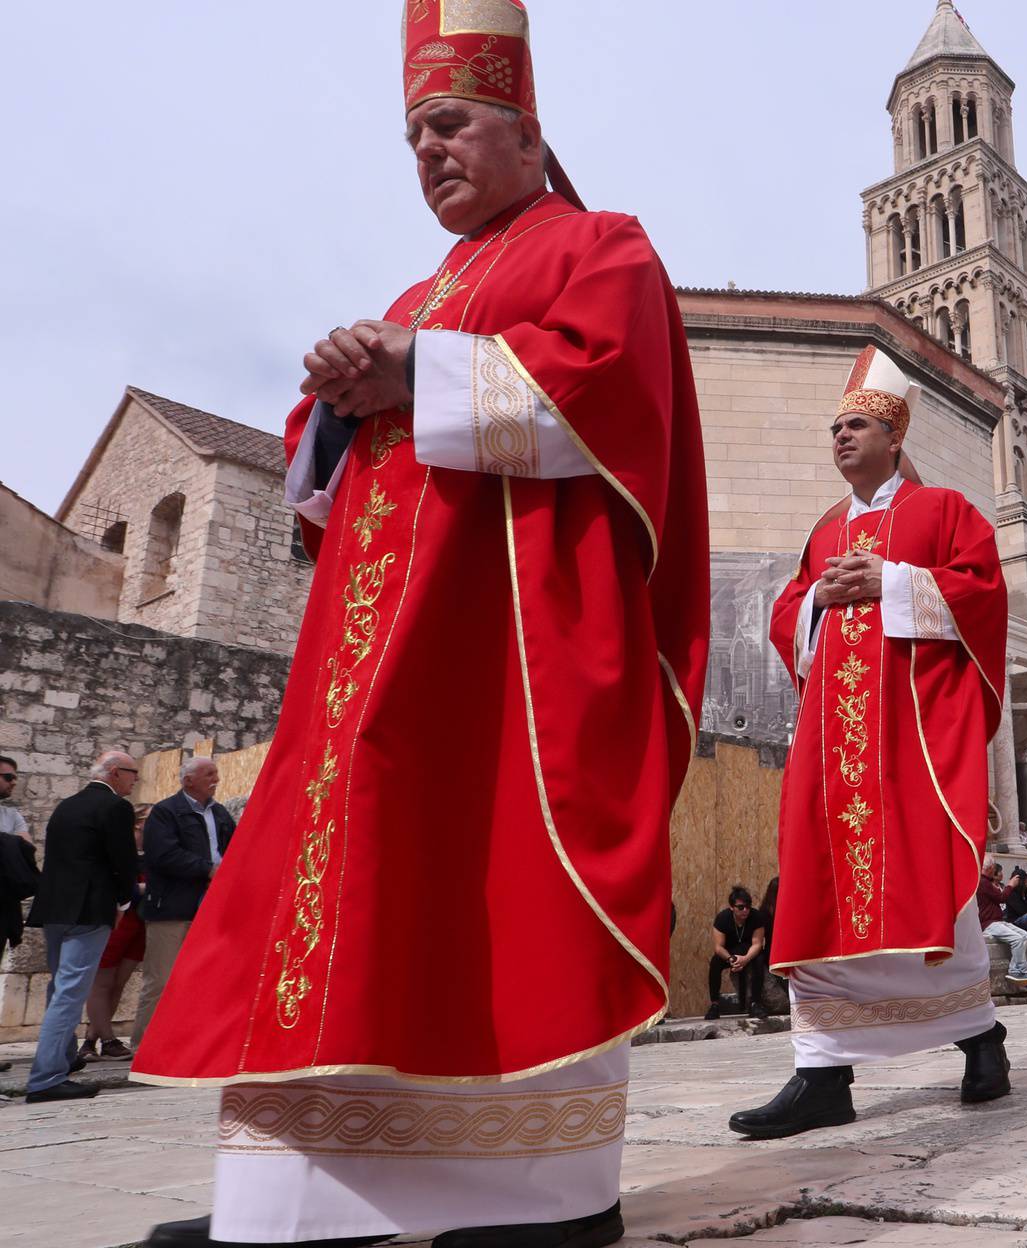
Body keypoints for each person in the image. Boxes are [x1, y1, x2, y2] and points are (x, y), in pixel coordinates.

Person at [132, 9, 711, 1245]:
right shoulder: (419, 290)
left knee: (500, 875)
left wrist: (421, 370)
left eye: (448, 124)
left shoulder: (599, 244)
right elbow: (323, 479)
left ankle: (549, 1196)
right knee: (344, 889)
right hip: (367, 661)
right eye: (412, 135)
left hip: (508, 655)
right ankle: (296, 1196)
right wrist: (338, 405)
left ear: (527, 131)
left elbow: (610, 394)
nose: (428, 152)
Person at [737, 343, 1011, 1142]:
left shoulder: (942, 512)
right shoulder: (824, 530)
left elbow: (981, 594)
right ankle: (822, 1072)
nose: (840, 437)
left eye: (855, 424)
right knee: (820, 892)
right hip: (834, 752)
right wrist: (818, 598)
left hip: (909, 747)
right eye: (834, 428)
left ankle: (981, 1041)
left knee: (929, 884)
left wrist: (892, 580)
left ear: (894, 438)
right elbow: (788, 616)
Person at [24, 751, 140, 1103]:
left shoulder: (67, 805)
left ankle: (60, 1058)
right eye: (133, 774)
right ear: (116, 773)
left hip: (55, 908)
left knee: (59, 988)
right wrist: (124, 903)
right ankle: (45, 1078)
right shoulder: (115, 807)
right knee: (71, 992)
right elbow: (123, 860)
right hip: (89, 910)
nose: (135, 781)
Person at [131, 759, 235, 1050]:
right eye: (209, 774)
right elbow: (164, 855)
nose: (216, 778)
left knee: (205, 980)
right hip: (172, 907)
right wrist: (208, 869)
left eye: (216, 772)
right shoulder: (166, 812)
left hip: (212, 907)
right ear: (188, 780)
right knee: (161, 980)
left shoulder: (220, 813)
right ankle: (146, 1048)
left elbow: (235, 847)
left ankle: (193, 1044)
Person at [83, 802, 151, 1061]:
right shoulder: (122, 849)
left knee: (118, 984)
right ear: (137, 823)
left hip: (140, 922)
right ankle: (108, 1039)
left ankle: (91, 1040)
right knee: (103, 983)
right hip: (119, 919)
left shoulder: (153, 852)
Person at [708, 886, 770, 1020]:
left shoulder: (756, 917)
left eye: (748, 906)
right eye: (741, 907)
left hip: (749, 952)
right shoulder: (723, 918)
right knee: (715, 963)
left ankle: (755, 1003)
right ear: (732, 907)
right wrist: (731, 959)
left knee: (759, 960)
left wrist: (746, 959)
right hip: (730, 952)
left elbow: (758, 944)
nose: (745, 910)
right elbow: (718, 947)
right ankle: (714, 1004)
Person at [0, 755, 38, 957]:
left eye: (15, 777)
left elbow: (27, 850)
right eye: (8, 777)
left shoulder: (11, 815)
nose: (14, 782)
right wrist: (10, 842)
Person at [977, 860, 1027, 988]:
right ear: (991, 868)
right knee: (1018, 938)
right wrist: (1010, 885)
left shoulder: (986, 882)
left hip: (998, 921)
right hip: (989, 924)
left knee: (1024, 935)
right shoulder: (982, 882)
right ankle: (1016, 972)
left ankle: (1022, 973)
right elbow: (1002, 898)